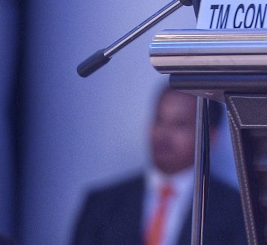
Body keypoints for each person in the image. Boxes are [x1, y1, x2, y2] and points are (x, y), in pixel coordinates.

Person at [72, 87, 246, 245]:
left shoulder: (237, 211)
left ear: (211, 137)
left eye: (180, 124)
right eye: (159, 120)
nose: (163, 134)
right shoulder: (101, 204)